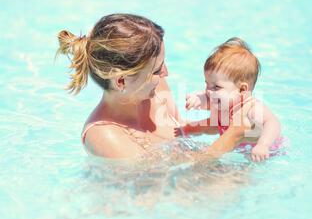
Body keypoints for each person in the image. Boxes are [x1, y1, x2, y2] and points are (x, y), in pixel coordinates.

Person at [56, 14, 248, 160]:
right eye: (156, 70)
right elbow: (158, 184)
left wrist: (226, 121)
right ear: (121, 81)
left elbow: (184, 137)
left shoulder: (155, 92)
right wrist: (232, 136)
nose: (166, 73)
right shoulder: (104, 135)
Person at [179, 37, 283, 162]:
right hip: (239, 148)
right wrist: (198, 99)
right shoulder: (220, 99)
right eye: (207, 84)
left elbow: (272, 123)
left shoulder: (251, 108)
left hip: (265, 153)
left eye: (216, 86)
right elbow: (207, 99)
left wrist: (263, 145)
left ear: (242, 90)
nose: (208, 91)